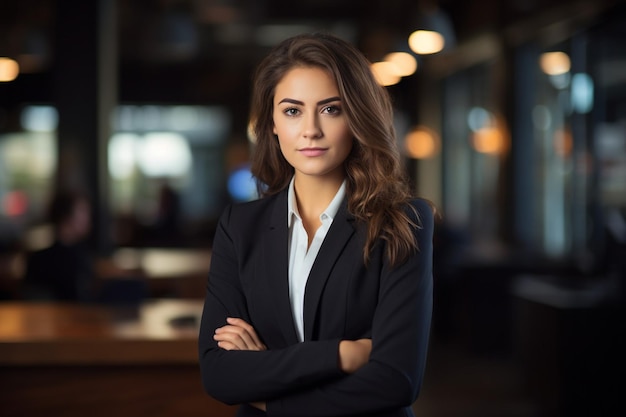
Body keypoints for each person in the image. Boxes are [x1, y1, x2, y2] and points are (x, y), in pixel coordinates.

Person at [198, 32, 434, 417]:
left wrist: (268, 387)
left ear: (357, 117)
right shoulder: (239, 226)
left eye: (330, 109)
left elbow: (397, 380)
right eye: (292, 111)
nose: (310, 130)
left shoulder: (403, 222)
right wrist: (344, 353)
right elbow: (220, 375)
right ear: (271, 122)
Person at [22, 188, 94, 302]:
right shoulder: (43, 261)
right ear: (65, 216)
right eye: (83, 211)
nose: (88, 218)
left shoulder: (82, 254)